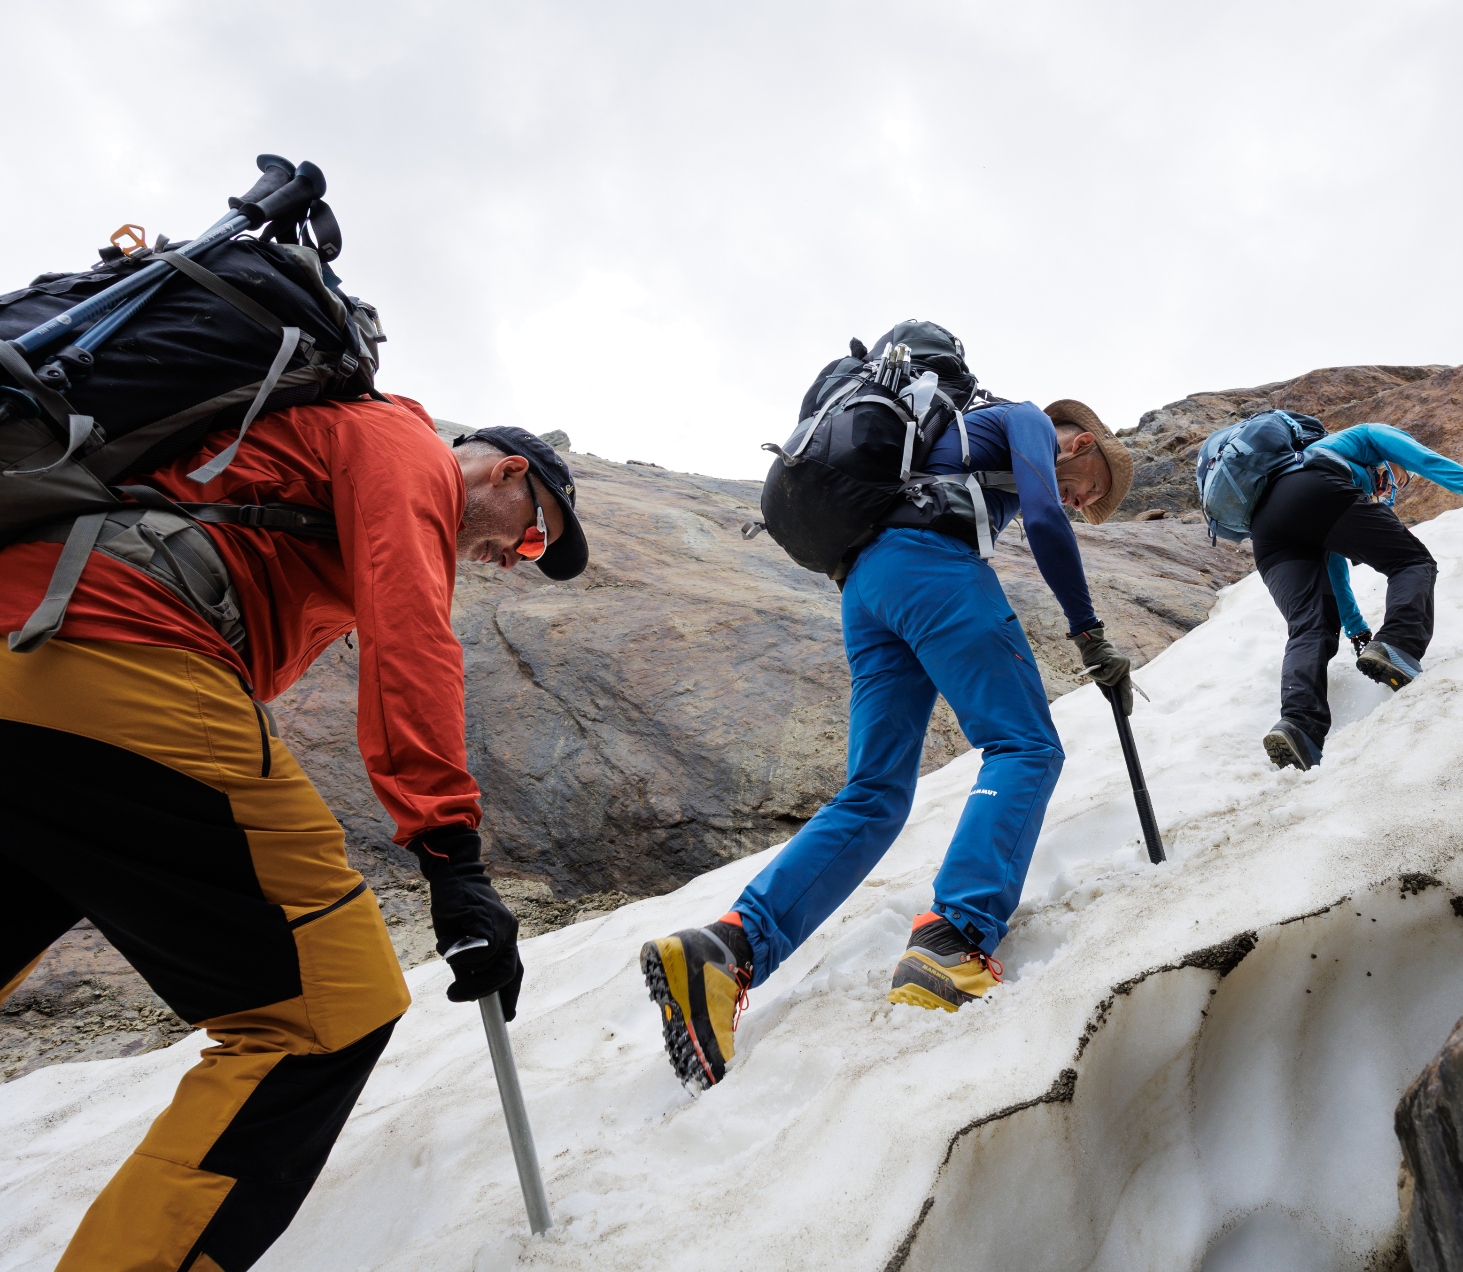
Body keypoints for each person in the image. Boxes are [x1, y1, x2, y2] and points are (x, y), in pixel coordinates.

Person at [0, 404, 588, 1272]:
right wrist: (452, 859)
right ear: (506, 473)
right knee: (332, 1014)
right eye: (534, 536)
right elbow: (411, 642)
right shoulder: (407, 451)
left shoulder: (309, 445)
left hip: (25, 655)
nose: (513, 557)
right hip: (118, 650)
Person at [642, 397, 1136, 1089]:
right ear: (1081, 443)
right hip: (931, 565)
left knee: (873, 793)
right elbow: (1049, 517)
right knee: (1025, 746)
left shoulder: (954, 439)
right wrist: (1089, 633)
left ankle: (727, 949)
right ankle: (954, 937)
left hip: (867, 585)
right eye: (1091, 491)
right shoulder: (1027, 419)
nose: (1080, 503)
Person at [1254, 422, 1463, 771]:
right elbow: (1424, 459)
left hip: (1266, 529)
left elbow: (1335, 568)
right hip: (1314, 492)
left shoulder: (1300, 466)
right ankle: (1398, 644)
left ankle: (1298, 727)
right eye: (1401, 476)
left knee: (1310, 626)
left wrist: (1357, 631)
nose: (1398, 483)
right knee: (1412, 562)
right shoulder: (1370, 435)